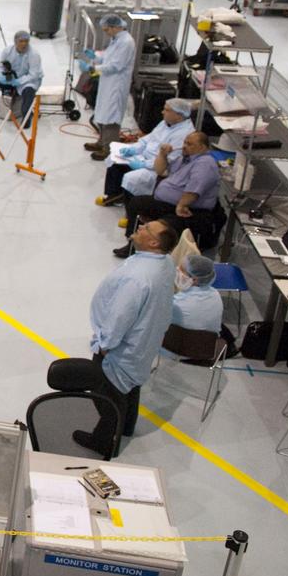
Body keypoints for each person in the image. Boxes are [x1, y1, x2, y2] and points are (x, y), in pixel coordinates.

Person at [75, 218, 176, 454]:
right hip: (145, 342)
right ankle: (127, 425)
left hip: (122, 347)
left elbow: (120, 315)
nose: (139, 227)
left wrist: (105, 344)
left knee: (107, 393)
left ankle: (104, 441)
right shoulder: (165, 263)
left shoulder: (137, 278)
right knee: (130, 385)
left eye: (146, 228)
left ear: (153, 242)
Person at [117, 131, 219, 257]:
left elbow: (194, 189)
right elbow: (160, 170)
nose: (184, 146)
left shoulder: (205, 163)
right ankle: (134, 243)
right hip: (170, 203)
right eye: (184, 142)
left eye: (189, 144)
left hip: (189, 209)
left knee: (163, 225)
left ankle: (153, 252)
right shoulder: (184, 158)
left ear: (202, 147)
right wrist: (163, 154)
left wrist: (181, 205)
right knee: (136, 203)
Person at [97, 98, 194, 207]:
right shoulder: (166, 123)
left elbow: (169, 162)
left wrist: (143, 164)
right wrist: (134, 149)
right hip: (144, 156)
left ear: (179, 115)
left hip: (156, 168)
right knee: (114, 158)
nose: (162, 112)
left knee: (132, 179)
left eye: (166, 110)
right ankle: (114, 196)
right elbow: (148, 139)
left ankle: (131, 209)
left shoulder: (183, 134)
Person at [81, 15, 136, 156]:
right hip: (108, 82)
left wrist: (94, 69)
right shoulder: (116, 39)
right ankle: (102, 142)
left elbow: (116, 65)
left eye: (107, 30)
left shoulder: (126, 42)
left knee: (111, 116)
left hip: (117, 85)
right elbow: (108, 56)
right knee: (102, 112)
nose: (106, 33)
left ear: (115, 27)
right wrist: (95, 56)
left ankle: (109, 148)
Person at [171, 254, 238, 355]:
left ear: (194, 279)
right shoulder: (216, 295)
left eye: (181, 270)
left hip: (177, 350)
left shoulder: (176, 302)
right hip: (208, 350)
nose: (177, 271)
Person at [0, 30, 42, 126]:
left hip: (26, 81)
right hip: (10, 79)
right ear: (15, 41)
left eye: (26, 41)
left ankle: (26, 116)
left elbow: (34, 75)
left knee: (29, 90)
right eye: (21, 41)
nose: (24, 44)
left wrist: (18, 81)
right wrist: (0, 77)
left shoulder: (34, 55)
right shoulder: (7, 51)